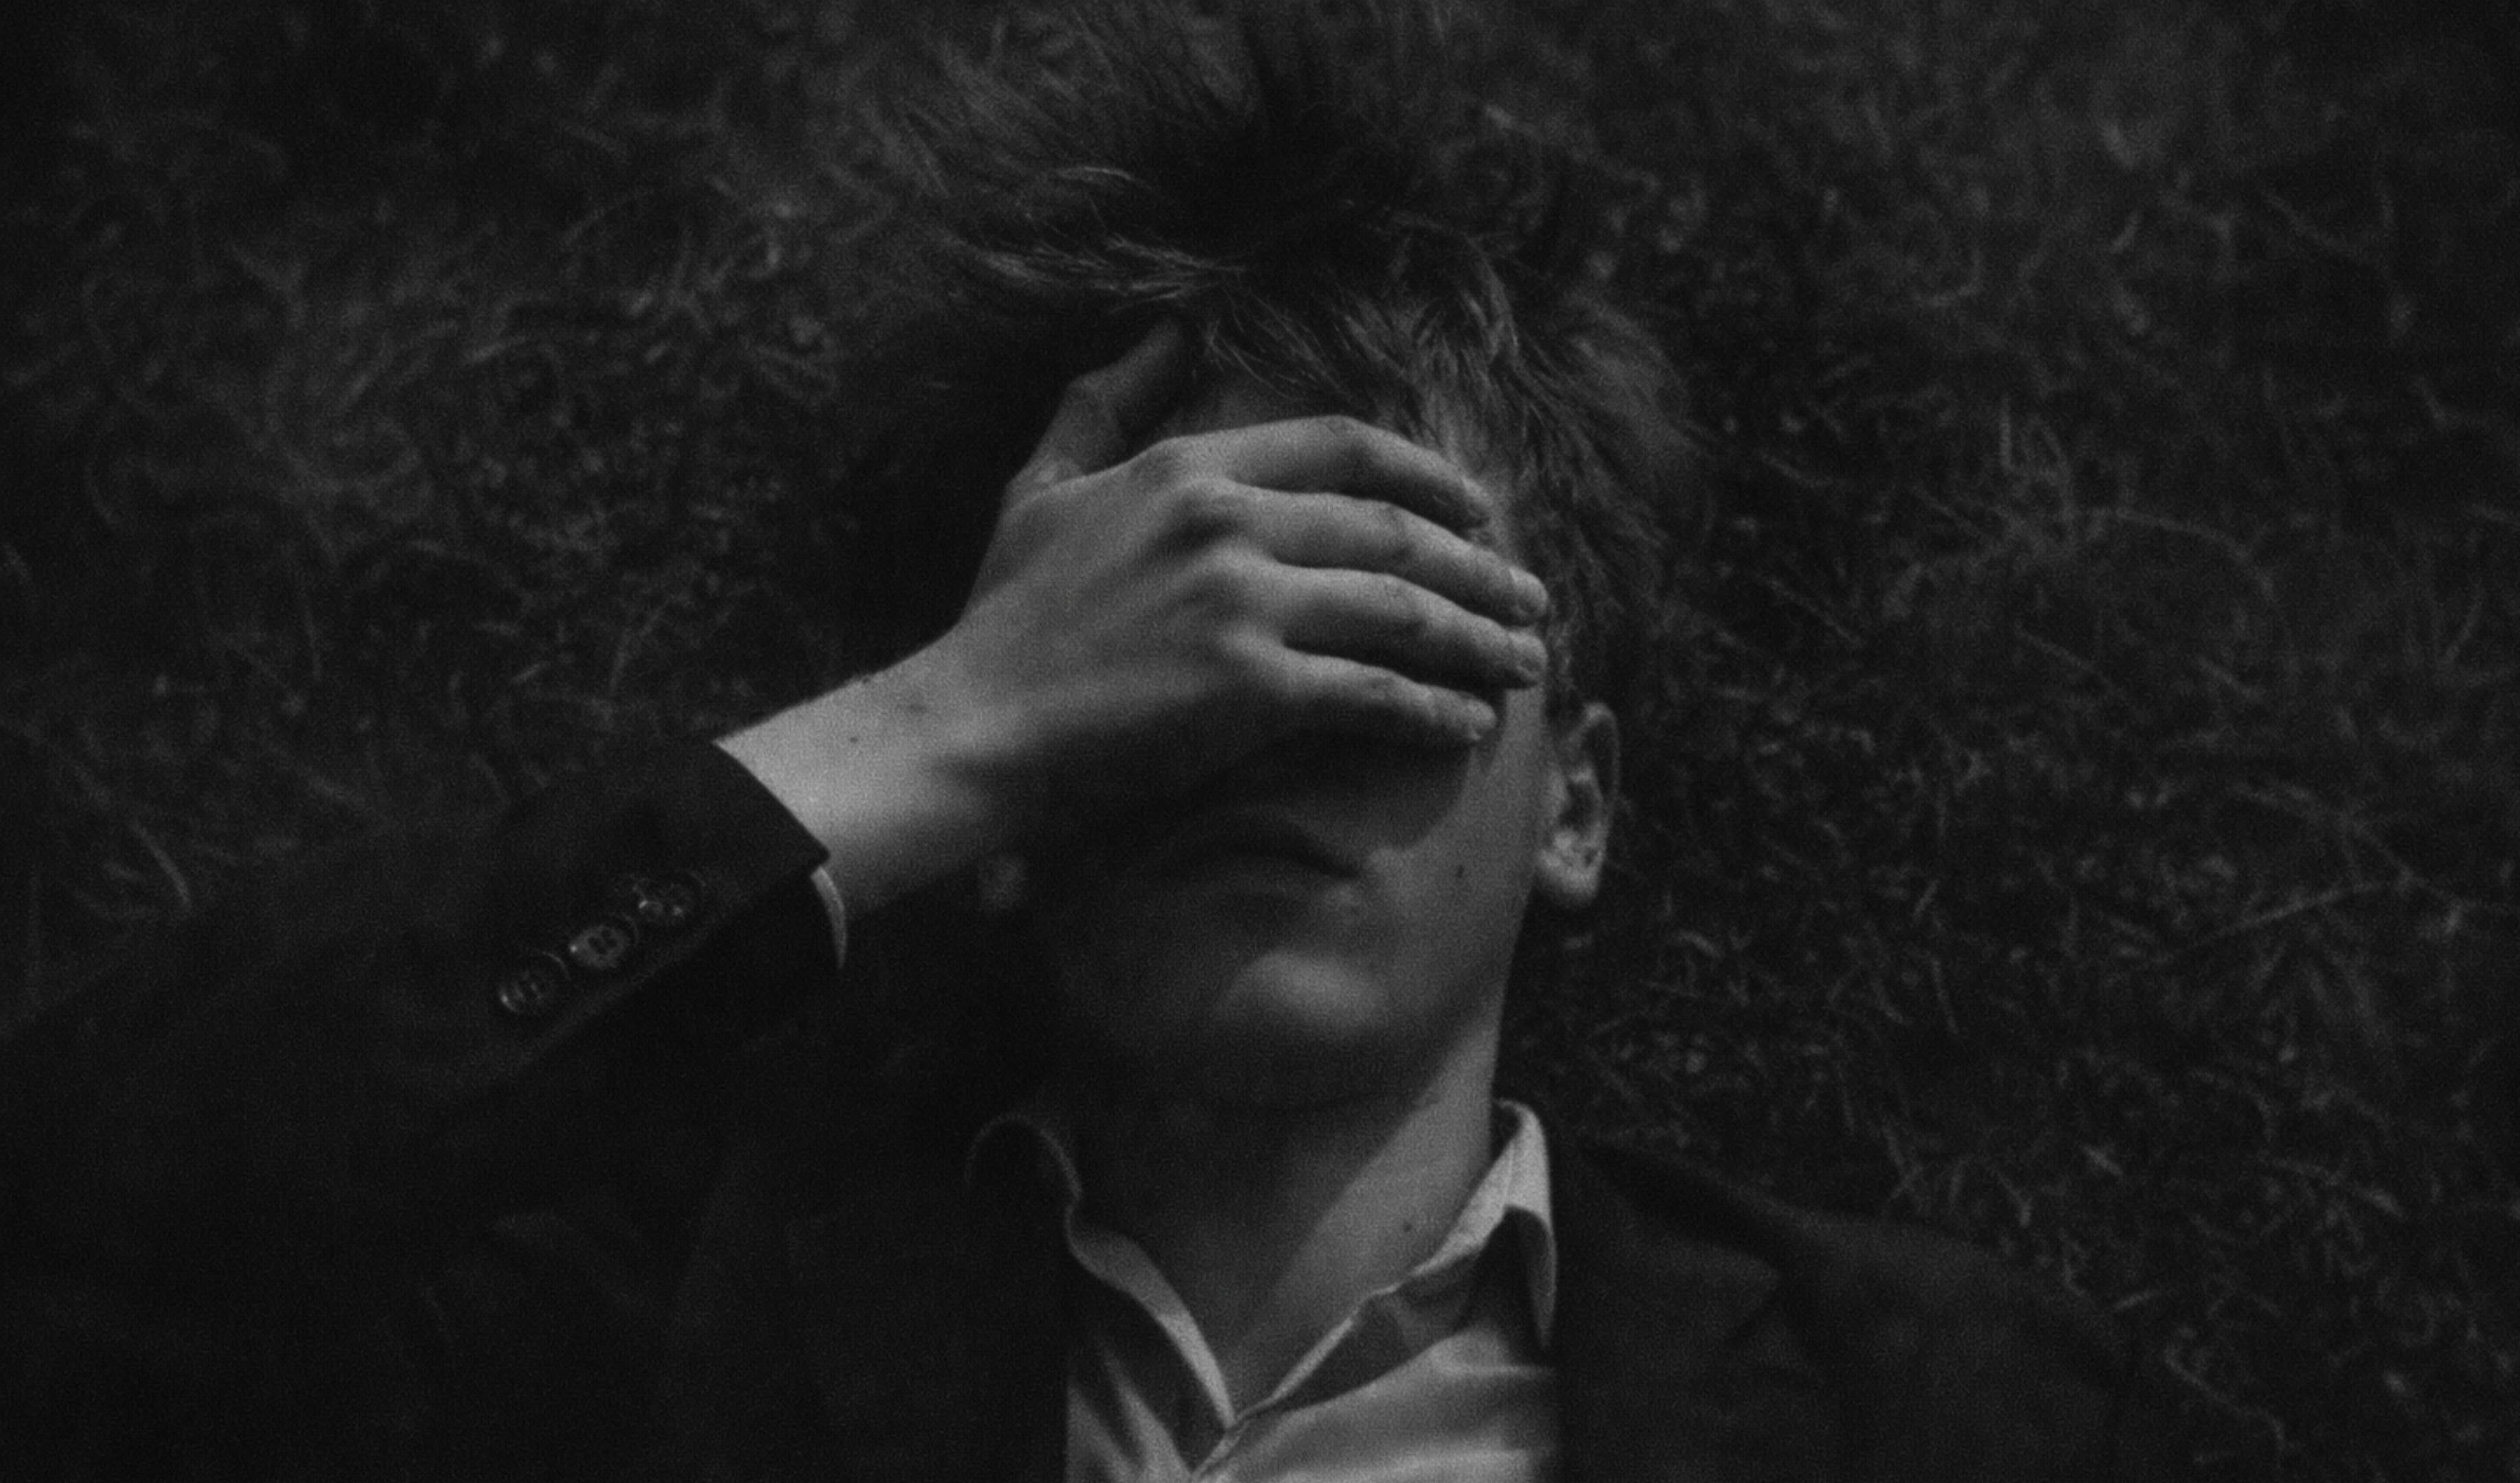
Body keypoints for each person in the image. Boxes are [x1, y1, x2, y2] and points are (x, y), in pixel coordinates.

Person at [0, 3, 2174, 1478]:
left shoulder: (1943, 1414)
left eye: (1376, 606)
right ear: (1027, 783)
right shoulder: (646, 1338)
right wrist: (941, 727)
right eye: (1166, 641)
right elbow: (83, 1220)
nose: (1263, 722)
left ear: (1577, 800)